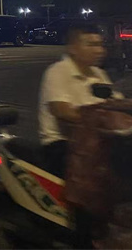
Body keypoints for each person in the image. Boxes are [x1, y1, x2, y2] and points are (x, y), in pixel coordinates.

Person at [38, 24, 120, 177]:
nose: (99, 50)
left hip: (95, 141)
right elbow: (61, 110)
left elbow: (116, 102)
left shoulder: (98, 74)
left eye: (100, 45)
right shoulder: (58, 71)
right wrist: (99, 119)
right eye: (91, 45)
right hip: (63, 145)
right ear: (73, 48)